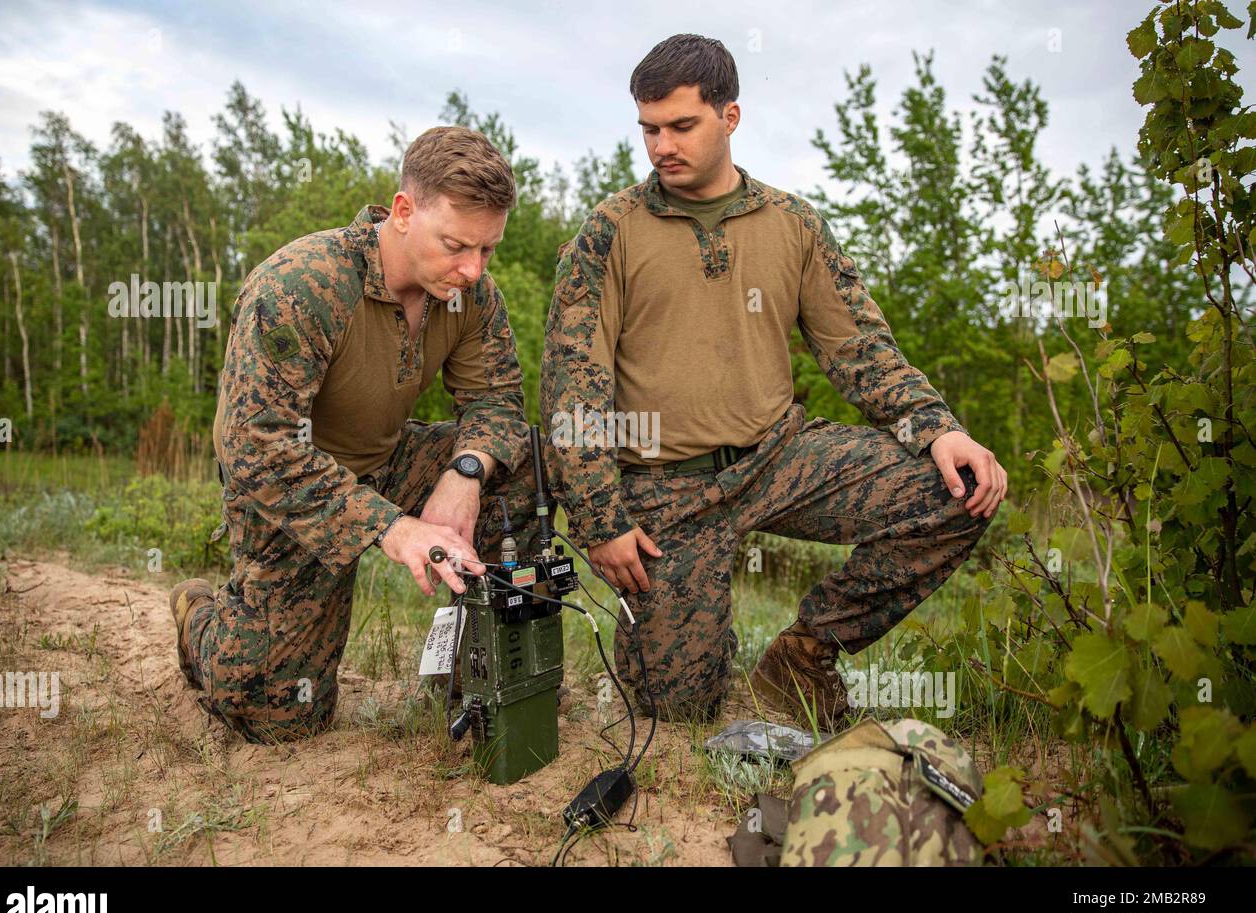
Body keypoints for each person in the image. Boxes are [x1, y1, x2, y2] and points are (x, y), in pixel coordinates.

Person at [540, 35, 1006, 729]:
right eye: (649, 129)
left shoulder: (793, 225)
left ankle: (804, 654)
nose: (661, 145)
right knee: (678, 712)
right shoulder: (610, 231)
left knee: (957, 489)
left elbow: (859, 349)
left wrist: (938, 428)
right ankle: (696, 634)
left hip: (780, 456)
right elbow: (572, 386)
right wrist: (602, 520)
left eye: (681, 126)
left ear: (730, 117)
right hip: (667, 489)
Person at [171, 126, 536, 743]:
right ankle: (198, 618)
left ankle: (476, 681)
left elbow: (497, 400)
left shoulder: (469, 294)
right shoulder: (299, 287)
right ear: (402, 212)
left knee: (524, 466)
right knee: (278, 715)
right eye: (455, 245)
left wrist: (466, 471)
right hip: (296, 486)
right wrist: (392, 528)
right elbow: (255, 448)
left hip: (389, 460)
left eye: (488, 250)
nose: (473, 269)